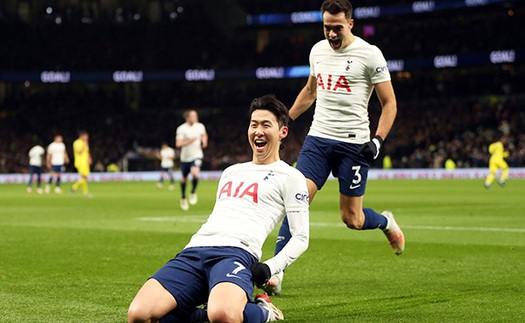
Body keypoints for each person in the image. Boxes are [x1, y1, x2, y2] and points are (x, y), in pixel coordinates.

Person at [264, 0, 405, 296]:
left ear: (350, 24)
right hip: (318, 139)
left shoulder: (370, 54)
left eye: (337, 28)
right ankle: (276, 271)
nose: (331, 33)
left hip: (353, 145)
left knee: (352, 219)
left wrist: (377, 140)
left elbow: (389, 103)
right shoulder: (317, 50)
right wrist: (284, 120)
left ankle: (386, 221)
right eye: (326, 27)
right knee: (296, 199)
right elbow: (311, 91)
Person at [128, 94, 309, 323]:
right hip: (194, 250)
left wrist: (271, 267)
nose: (258, 131)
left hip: (237, 253)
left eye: (266, 125)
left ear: (283, 132)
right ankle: (219, 303)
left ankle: (264, 312)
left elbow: (301, 236)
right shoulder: (230, 172)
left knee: (223, 315)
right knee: (139, 315)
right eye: (254, 125)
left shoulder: (291, 176)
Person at [175, 109, 208, 211]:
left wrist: (204, 141)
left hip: (197, 155)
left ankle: (193, 192)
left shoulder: (200, 126)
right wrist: (189, 141)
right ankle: (183, 197)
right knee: (184, 178)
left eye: (196, 115)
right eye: (193, 116)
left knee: (195, 173)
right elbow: (178, 144)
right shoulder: (181, 129)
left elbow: (204, 135)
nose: (195, 117)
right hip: (185, 158)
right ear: (187, 117)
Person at [71, 130, 93, 197]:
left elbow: (87, 151)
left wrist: (89, 158)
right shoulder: (77, 143)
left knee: (84, 177)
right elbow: (80, 152)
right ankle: (74, 187)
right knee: (84, 177)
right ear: (81, 136)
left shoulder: (85, 143)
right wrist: (84, 145)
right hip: (80, 162)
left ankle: (85, 193)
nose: (87, 137)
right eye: (86, 136)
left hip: (85, 162)